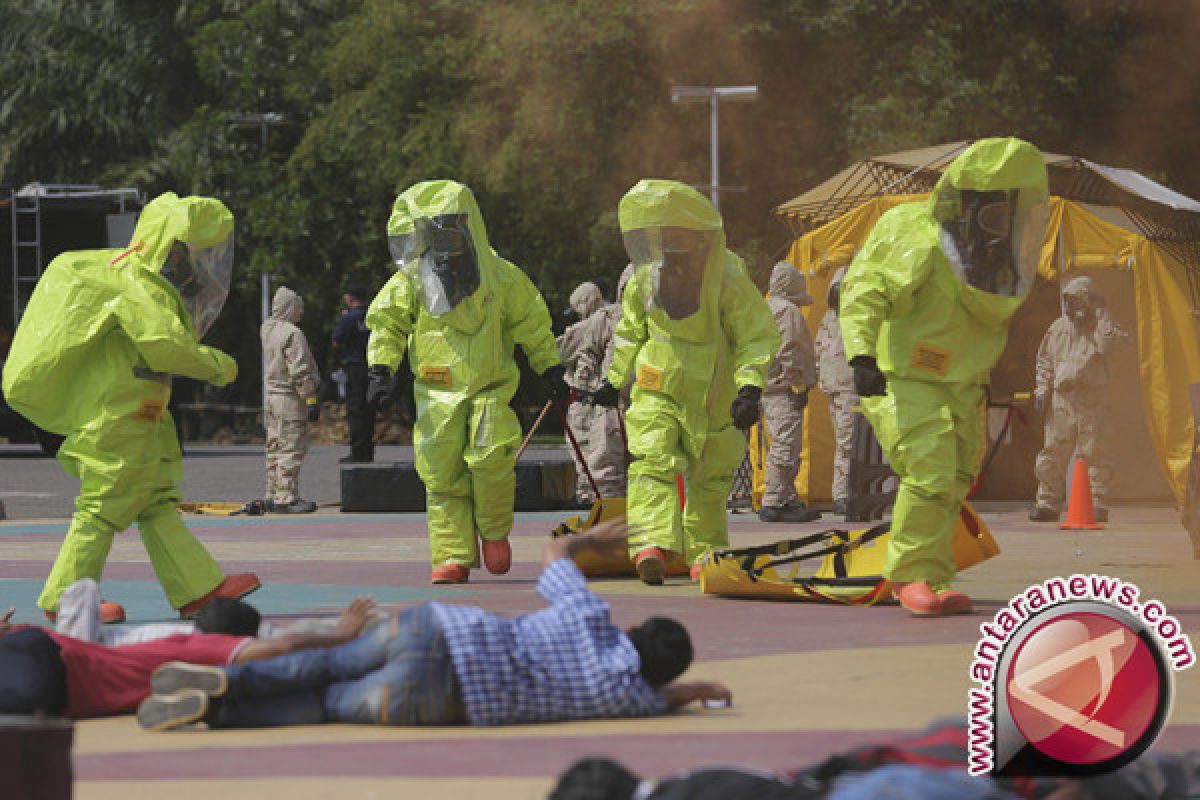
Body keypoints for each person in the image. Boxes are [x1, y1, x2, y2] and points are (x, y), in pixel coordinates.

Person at [136, 522, 732, 730]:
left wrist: (586, 541)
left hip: (444, 633)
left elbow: (553, 561)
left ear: (632, 634)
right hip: (439, 699)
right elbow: (665, 694)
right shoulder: (628, 699)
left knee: (327, 659)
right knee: (325, 701)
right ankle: (216, 711)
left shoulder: (591, 619)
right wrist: (697, 690)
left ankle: (225, 680)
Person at [1, 192, 262, 622]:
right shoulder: (139, 285)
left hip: (139, 415)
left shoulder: (136, 281)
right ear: (168, 246)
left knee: (157, 501)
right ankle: (66, 600)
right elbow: (163, 347)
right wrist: (219, 366)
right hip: (119, 416)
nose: (191, 263)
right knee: (101, 507)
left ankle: (199, 589)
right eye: (187, 252)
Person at [839, 137, 1049, 617]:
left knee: (955, 478)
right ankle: (910, 576)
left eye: (1007, 211)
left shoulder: (994, 256)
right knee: (930, 472)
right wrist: (862, 357)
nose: (1000, 223)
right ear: (969, 203)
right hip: (905, 377)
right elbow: (866, 290)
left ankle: (928, 574)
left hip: (962, 383)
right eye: (992, 211)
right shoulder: (912, 231)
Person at [364, 180, 567, 584]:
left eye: (449, 226)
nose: (443, 237)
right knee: (441, 475)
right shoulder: (412, 281)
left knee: (492, 458)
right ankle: (453, 554)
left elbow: (532, 322)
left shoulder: (501, 277)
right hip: (435, 394)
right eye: (434, 228)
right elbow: (386, 323)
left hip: (490, 387)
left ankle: (493, 533)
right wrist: (379, 369)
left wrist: (549, 367)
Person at [591, 180, 779, 584]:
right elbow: (630, 331)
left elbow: (755, 334)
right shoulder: (646, 277)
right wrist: (615, 378)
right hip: (658, 383)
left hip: (715, 393)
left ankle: (704, 553)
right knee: (651, 461)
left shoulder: (728, 275)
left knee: (710, 477)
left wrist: (750, 387)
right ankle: (650, 546)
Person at [0, 598, 376, 719]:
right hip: (51, 671)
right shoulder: (192, 648)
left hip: (42, 648)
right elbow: (279, 647)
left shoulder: (161, 642)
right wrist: (340, 634)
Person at [1030, 275, 1129, 523]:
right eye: (1069, 301)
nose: (1072, 307)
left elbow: (1109, 345)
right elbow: (1044, 361)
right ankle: (1048, 503)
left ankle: (1098, 502)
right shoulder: (1058, 328)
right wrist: (1042, 389)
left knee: (1096, 451)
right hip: (1063, 399)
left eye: (1077, 300)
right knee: (1052, 451)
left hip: (1092, 398)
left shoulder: (1101, 325)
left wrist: (1102, 313)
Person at [759, 260, 821, 523]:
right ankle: (773, 501)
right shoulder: (787, 311)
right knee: (786, 443)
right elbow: (789, 350)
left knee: (784, 442)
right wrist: (797, 383)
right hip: (784, 387)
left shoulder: (766, 307)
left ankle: (786, 498)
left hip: (769, 386)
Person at [261, 286, 321, 514]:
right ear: (290, 308)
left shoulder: (267, 329)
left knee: (274, 445)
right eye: (298, 308)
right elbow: (300, 369)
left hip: (271, 397)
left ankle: (272, 492)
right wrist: (311, 398)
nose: (301, 313)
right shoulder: (292, 333)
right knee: (291, 446)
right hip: (289, 397)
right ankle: (286, 496)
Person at [558, 281, 617, 504]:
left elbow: (560, 353)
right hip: (606, 400)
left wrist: (568, 331)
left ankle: (589, 498)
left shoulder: (588, 326)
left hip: (585, 400)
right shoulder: (614, 317)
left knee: (585, 453)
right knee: (606, 455)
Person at [814, 267, 858, 517]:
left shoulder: (830, 317)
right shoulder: (848, 317)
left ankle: (847, 493)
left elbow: (819, 348)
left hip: (835, 383)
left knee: (847, 440)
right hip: (845, 384)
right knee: (848, 442)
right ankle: (843, 495)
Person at [332, 286, 375, 463]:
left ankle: (358, 451)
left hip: (355, 365)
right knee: (369, 408)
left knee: (355, 409)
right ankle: (368, 449)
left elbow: (336, 341)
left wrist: (343, 319)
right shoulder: (374, 315)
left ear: (350, 299)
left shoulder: (349, 318)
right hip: (373, 366)